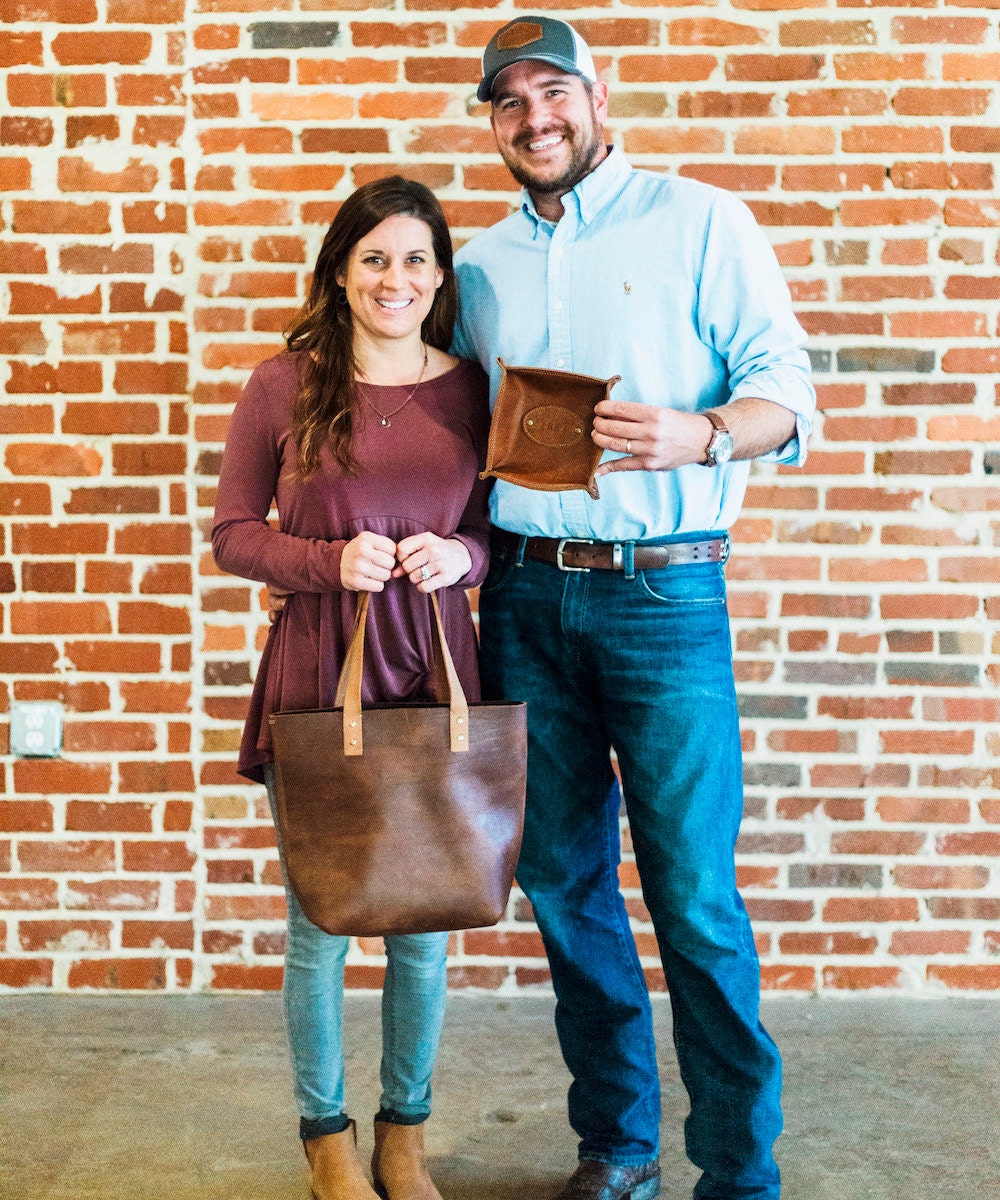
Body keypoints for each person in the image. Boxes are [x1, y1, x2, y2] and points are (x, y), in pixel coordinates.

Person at [452, 16, 817, 1200]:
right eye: (507, 103)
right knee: (563, 887)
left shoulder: (700, 219)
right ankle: (617, 1148)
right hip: (522, 598)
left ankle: (736, 1172)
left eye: (551, 92)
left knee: (693, 898)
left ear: (597, 96)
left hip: (667, 594)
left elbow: (785, 396)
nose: (533, 119)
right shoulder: (481, 264)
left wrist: (699, 433)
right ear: (494, 125)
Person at [212, 175, 492, 1200]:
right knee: (319, 921)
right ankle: (326, 1136)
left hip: (431, 667)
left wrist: (457, 560)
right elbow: (233, 535)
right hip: (318, 668)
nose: (395, 277)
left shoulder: (472, 390)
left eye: (416, 257)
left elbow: (494, 537)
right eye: (374, 256)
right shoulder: (282, 384)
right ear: (340, 270)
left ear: (440, 276)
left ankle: (403, 1133)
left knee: (421, 922)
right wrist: (326, 563)